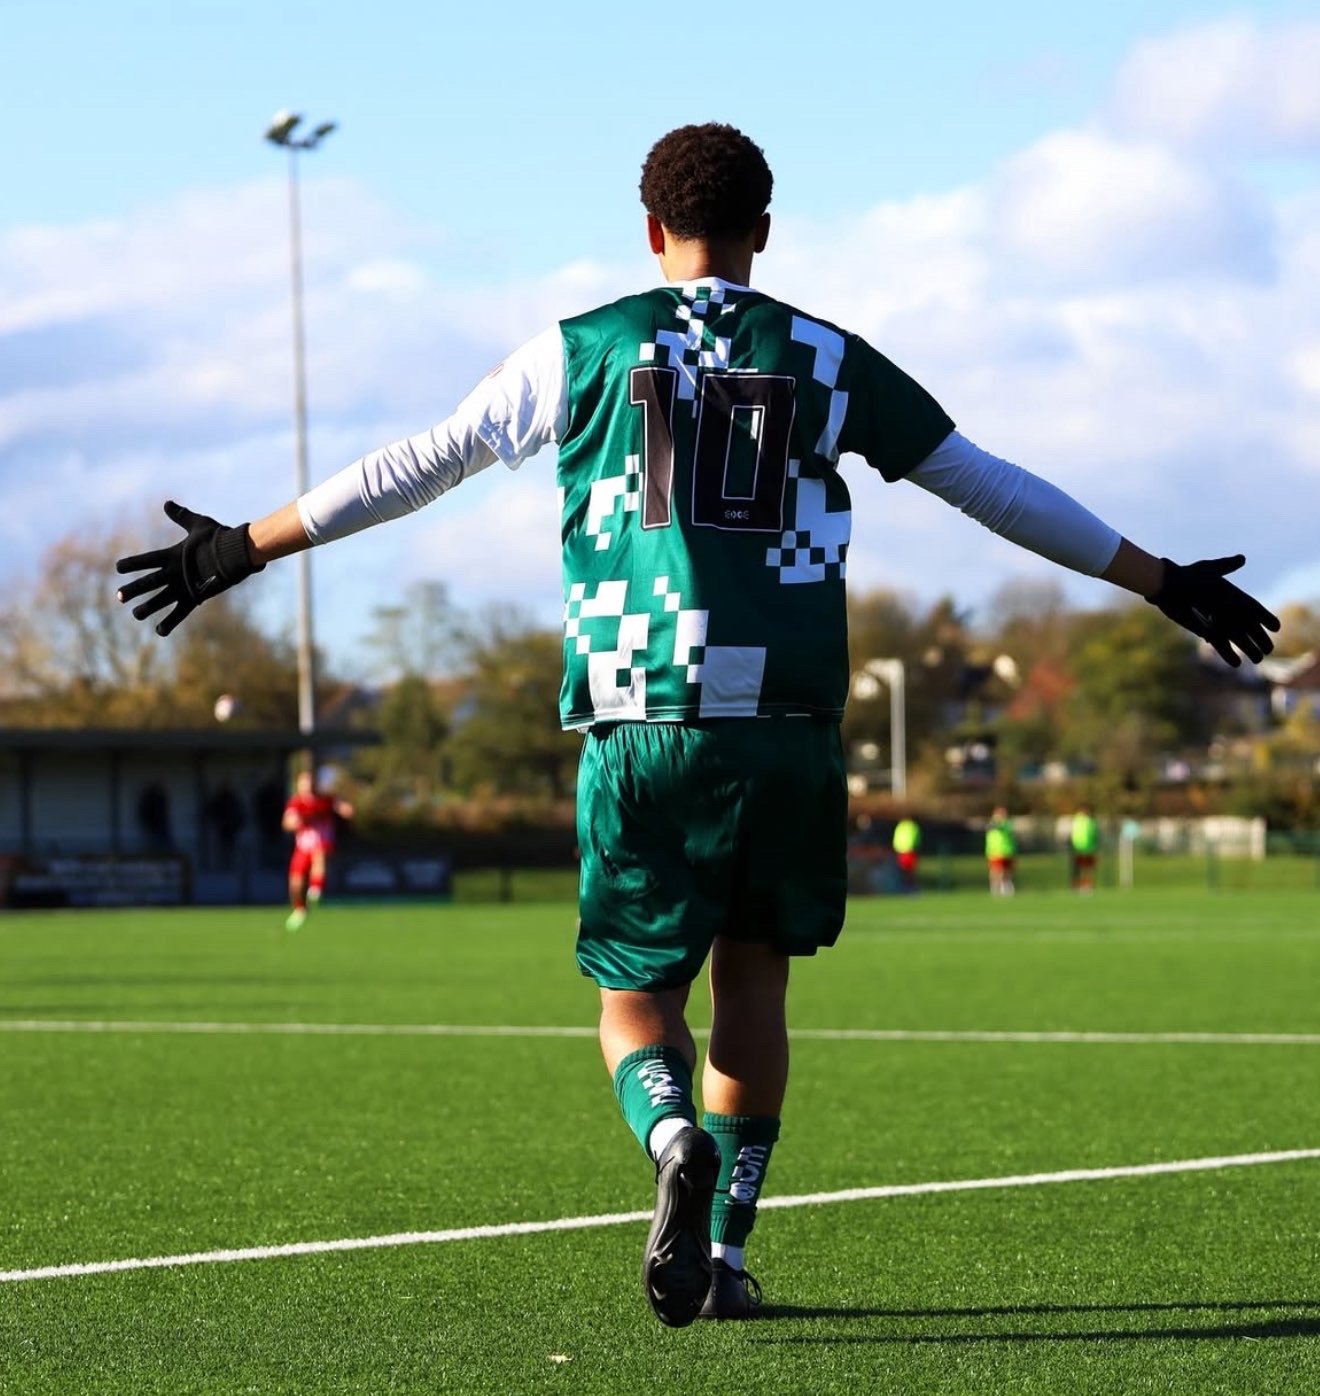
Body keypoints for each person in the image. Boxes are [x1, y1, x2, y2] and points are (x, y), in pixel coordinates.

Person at [114, 123, 1279, 1327]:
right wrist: (1160, 579)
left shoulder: (586, 348)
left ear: (651, 230)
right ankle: (724, 1255)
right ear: (765, 232)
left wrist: (238, 547)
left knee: (632, 1003)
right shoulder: (828, 358)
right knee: (755, 991)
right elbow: (989, 482)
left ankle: (672, 1139)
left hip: (642, 716)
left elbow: (424, 460)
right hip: (785, 720)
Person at [282, 770, 354, 931]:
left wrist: (346, 809)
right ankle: (300, 909)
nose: (308, 786)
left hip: (322, 843)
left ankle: (316, 887)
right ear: (299, 785)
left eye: (310, 783)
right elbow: (287, 822)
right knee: (295, 882)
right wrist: (294, 822)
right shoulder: (296, 803)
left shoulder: (325, 800)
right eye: (304, 783)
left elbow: (342, 806)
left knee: (319, 855)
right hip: (302, 847)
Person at [985, 806, 1017, 896]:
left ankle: (1006, 888)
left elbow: (1003, 828)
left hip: (1007, 852)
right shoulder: (991, 825)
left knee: (1007, 872)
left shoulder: (1007, 824)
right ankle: (995, 888)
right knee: (996, 872)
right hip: (995, 852)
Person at [1070, 804, 1101, 893]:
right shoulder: (1078, 821)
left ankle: (1086, 886)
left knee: (1087, 868)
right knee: (1080, 868)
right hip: (1079, 848)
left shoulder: (1089, 821)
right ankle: (1078, 886)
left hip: (1089, 848)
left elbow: (1094, 834)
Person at [891, 815, 921, 892]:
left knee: (909, 871)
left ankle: (912, 888)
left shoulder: (910, 826)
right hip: (903, 851)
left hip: (908, 851)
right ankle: (906, 888)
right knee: (904, 871)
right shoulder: (903, 826)